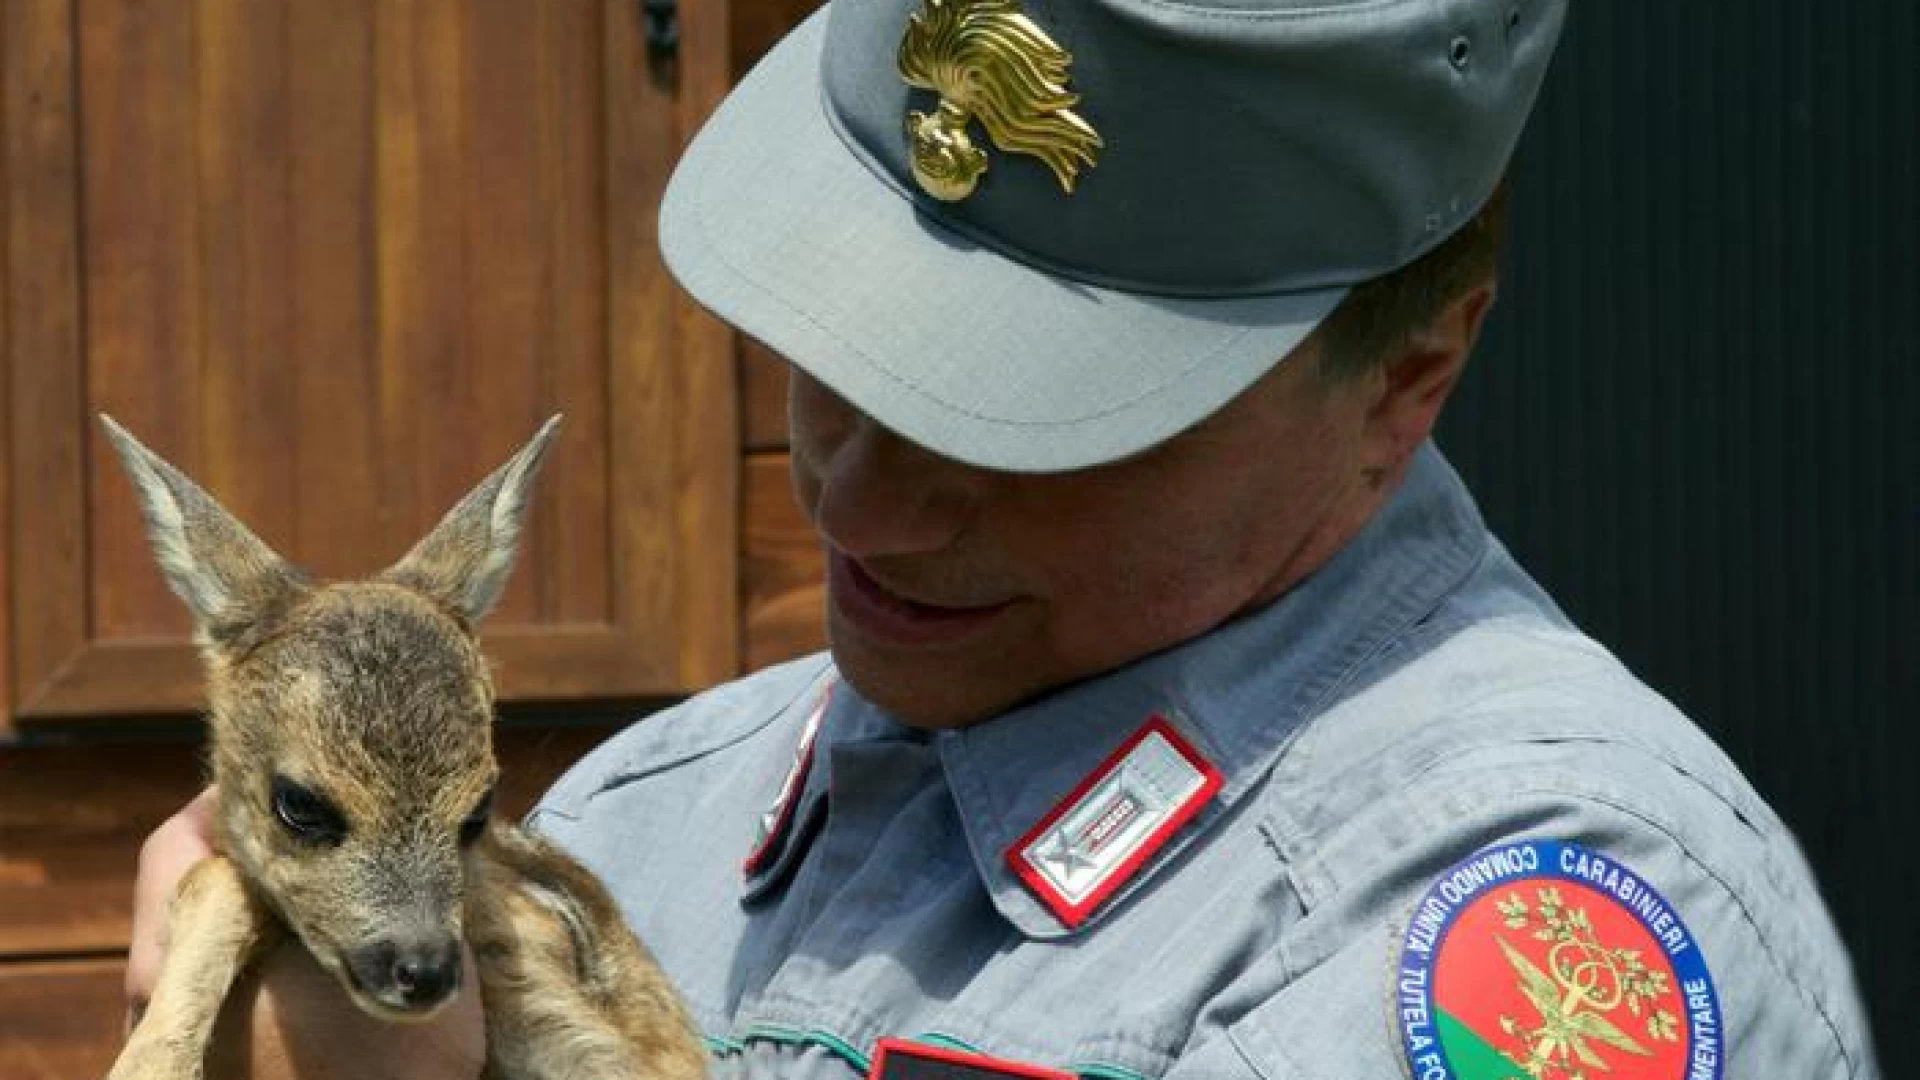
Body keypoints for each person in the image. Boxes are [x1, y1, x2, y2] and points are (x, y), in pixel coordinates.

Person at [128, 0, 1880, 1077]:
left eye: (1026, 417)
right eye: (838, 344)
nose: (863, 495)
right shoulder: (641, 817)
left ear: (1404, 376)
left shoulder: (1537, 920)